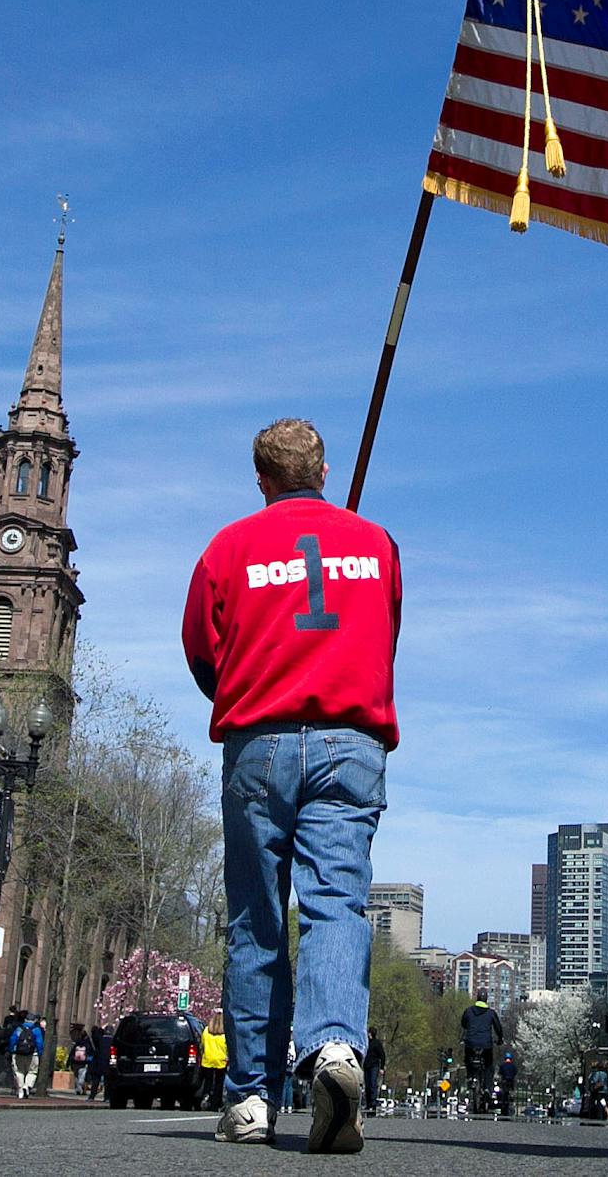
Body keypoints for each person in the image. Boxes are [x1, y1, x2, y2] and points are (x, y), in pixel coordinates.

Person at [184, 419, 403, 1153]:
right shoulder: (376, 545)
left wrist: (240, 695)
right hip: (349, 741)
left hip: (260, 740)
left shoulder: (227, 548)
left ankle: (249, 1097)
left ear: (261, 480)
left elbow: (200, 646)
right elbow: (383, 633)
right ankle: (336, 1048)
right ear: (325, 469)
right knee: (336, 902)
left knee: (256, 916)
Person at [460, 995, 504, 1113]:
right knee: (489, 1066)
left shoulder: (468, 1011)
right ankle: (488, 1088)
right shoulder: (491, 1013)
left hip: (470, 1043)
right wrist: (500, 1038)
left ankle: (470, 1077)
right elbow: (498, 1028)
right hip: (486, 1045)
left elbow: (463, 1024)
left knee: (468, 1059)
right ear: (486, 1000)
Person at [9, 1014, 43, 1099]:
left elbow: (13, 1040)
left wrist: (12, 1050)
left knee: (19, 1071)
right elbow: (39, 1043)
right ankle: (27, 1086)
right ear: (34, 1020)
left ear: (25, 1020)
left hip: (19, 1053)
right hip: (32, 1054)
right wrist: (39, 1053)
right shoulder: (36, 1030)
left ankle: (20, 1090)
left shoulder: (19, 1029)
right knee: (32, 1072)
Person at [202, 1012, 229, 1107]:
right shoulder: (224, 1034)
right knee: (219, 1082)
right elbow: (227, 1047)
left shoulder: (206, 1031)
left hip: (208, 1059)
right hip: (221, 1060)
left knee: (208, 1081)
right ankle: (216, 1102)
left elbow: (203, 1044)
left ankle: (206, 1096)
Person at [363, 1027, 385, 1115]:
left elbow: (382, 1055)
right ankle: (368, 1103)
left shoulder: (377, 1043)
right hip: (366, 1066)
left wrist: (382, 1068)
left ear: (370, 1033)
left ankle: (373, 1104)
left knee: (373, 1084)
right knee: (367, 1086)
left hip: (374, 1066)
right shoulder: (366, 1043)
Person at [83, 1023, 108, 1102]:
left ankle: (92, 1096)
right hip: (105, 1062)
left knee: (95, 1080)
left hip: (96, 1062)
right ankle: (106, 1097)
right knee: (106, 1081)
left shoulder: (92, 1039)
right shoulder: (104, 1040)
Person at [497, 1047, 517, 1116]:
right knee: (511, 1090)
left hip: (504, 1081)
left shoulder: (503, 1065)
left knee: (503, 1091)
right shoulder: (513, 1066)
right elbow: (515, 1073)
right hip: (510, 1081)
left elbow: (500, 1073)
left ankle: (503, 1102)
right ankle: (511, 1098)